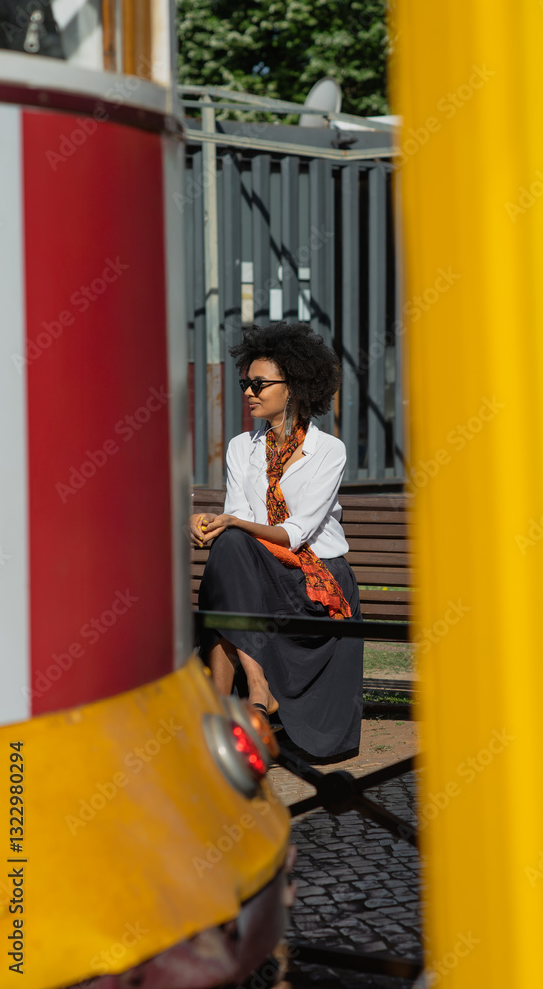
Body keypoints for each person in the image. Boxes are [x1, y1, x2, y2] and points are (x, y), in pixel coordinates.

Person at [190, 322, 363, 759]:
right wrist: (209, 522)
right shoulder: (240, 447)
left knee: (230, 556)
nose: (249, 392)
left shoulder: (329, 451)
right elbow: (240, 519)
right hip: (258, 569)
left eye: (259, 383)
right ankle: (257, 688)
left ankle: (221, 715)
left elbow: (296, 533)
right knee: (229, 548)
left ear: (294, 388)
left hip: (314, 576)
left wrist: (231, 524)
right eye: (246, 383)